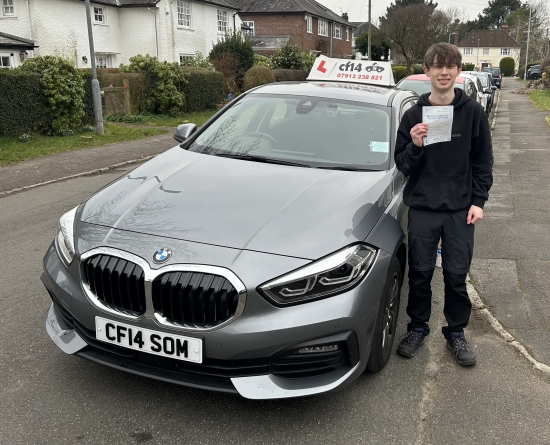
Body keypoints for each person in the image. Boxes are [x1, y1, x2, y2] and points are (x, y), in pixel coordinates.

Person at [394, 43, 493, 366]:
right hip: (423, 207)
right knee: (420, 274)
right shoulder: (413, 115)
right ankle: (418, 328)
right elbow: (402, 165)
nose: (444, 72)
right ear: (427, 71)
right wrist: (416, 145)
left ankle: (455, 333)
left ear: (458, 72)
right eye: (438, 66)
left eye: (450, 66)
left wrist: (478, 201)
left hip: (460, 210)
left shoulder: (473, 112)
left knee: (455, 275)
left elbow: (482, 162)